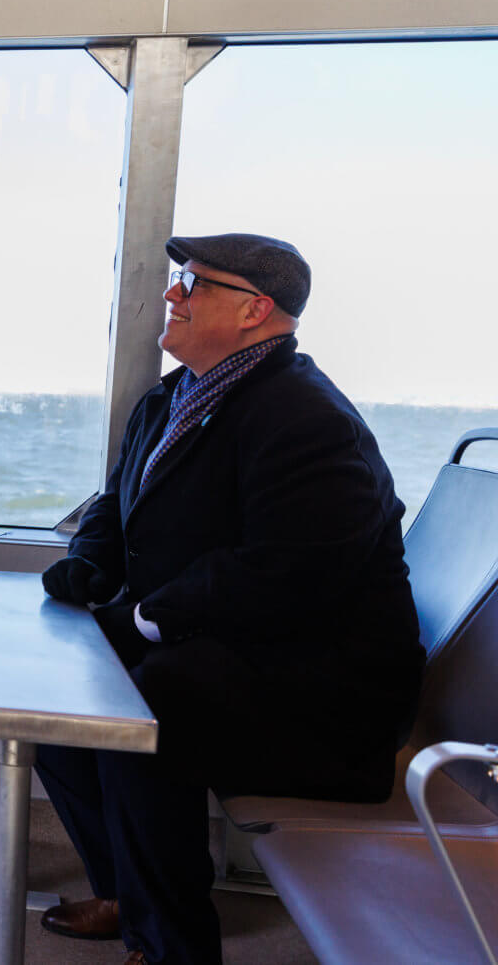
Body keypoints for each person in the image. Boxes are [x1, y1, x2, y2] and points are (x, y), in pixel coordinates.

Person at [35, 234, 425, 964]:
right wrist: (88, 565)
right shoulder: (169, 399)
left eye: (195, 282)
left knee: (152, 704)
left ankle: (173, 944)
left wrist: (152, 615)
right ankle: (127, 892)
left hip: (325, 689)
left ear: (256, 311)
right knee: (66, 687)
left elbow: (290, 571)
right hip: (226, 647)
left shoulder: (309, 419)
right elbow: (114, 507)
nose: (173, 294)